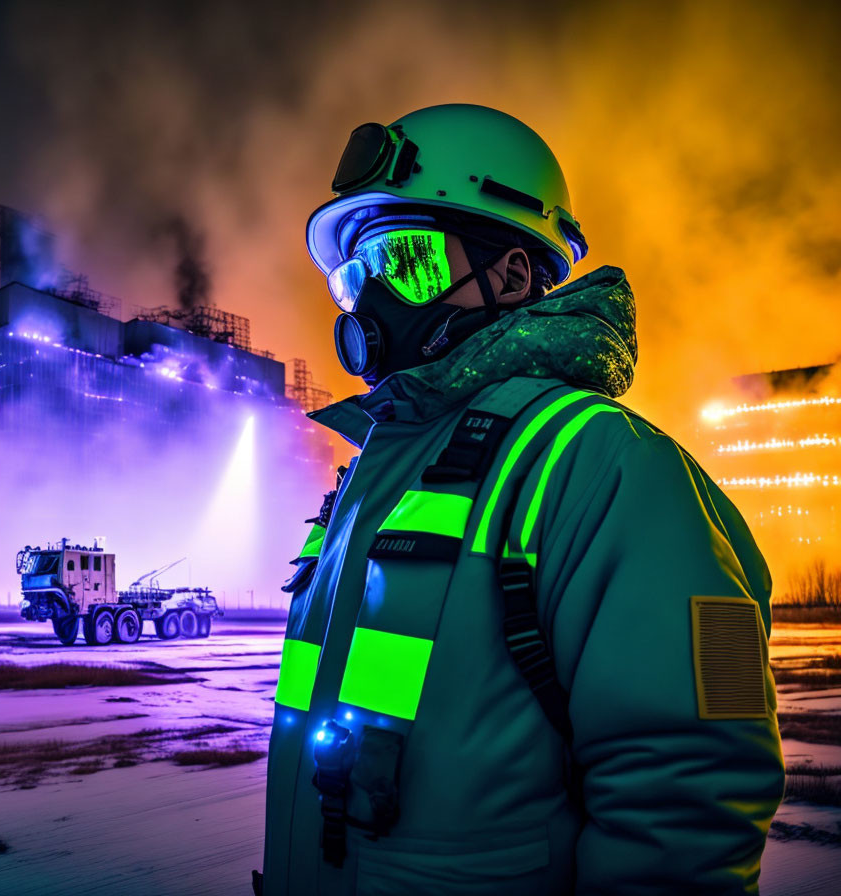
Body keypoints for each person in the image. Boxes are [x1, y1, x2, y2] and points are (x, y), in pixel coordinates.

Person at [258, 104, 784, 895]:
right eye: (354, 273)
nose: (369, 298)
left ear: (508, 275)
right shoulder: (374, 474)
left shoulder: (602, 465)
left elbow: (687, 803)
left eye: (405, 259)